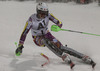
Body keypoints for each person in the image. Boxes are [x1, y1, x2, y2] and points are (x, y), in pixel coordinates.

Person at [15, 2, 96, 69]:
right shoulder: (31, 20)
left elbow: (59, 23)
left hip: (47, 34)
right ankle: (62, 55)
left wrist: (58, 26)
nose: (43, 15)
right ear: (37, 12)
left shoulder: (48, 15)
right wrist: (20, 45)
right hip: (37, 38)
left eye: (45, 13)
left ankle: (82, 56)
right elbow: (24, 33)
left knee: (61, 47)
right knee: (45, 41)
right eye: (41, 14)